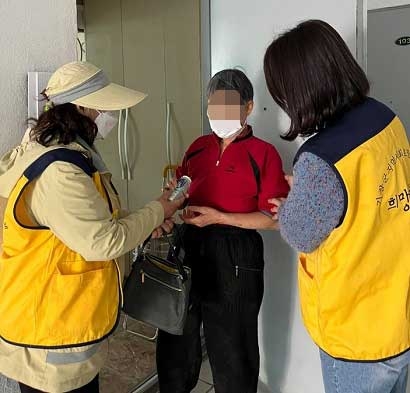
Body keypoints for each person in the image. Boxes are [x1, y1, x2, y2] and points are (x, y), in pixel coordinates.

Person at [0, 61, 183, 393]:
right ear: (81, 107)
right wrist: (160, 209)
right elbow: (103, 241)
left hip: (60, 325)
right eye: (102, 109)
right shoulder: (60, 170)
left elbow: (94, 219)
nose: (106, 118)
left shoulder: (54, 151)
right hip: (52, 342)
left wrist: (148, 220)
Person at [264, 20, 410, 393]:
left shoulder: (320, 157)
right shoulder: (384, 117)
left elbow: (300, 232)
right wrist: (312, 191)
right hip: (399, 314)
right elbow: (365, 192)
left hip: (357, 333)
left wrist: (290, 206)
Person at [156, 69, 289, 393]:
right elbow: (181, 192)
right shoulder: (197, 148)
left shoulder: (263, 153)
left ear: (248, 108)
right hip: (189, 246)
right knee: (176, 338)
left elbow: (275, 219)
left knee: (233, 348)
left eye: (229, 106)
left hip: (237, 253)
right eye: (215, 106)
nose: (220, 114)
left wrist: (221, 218)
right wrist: (170, 207)